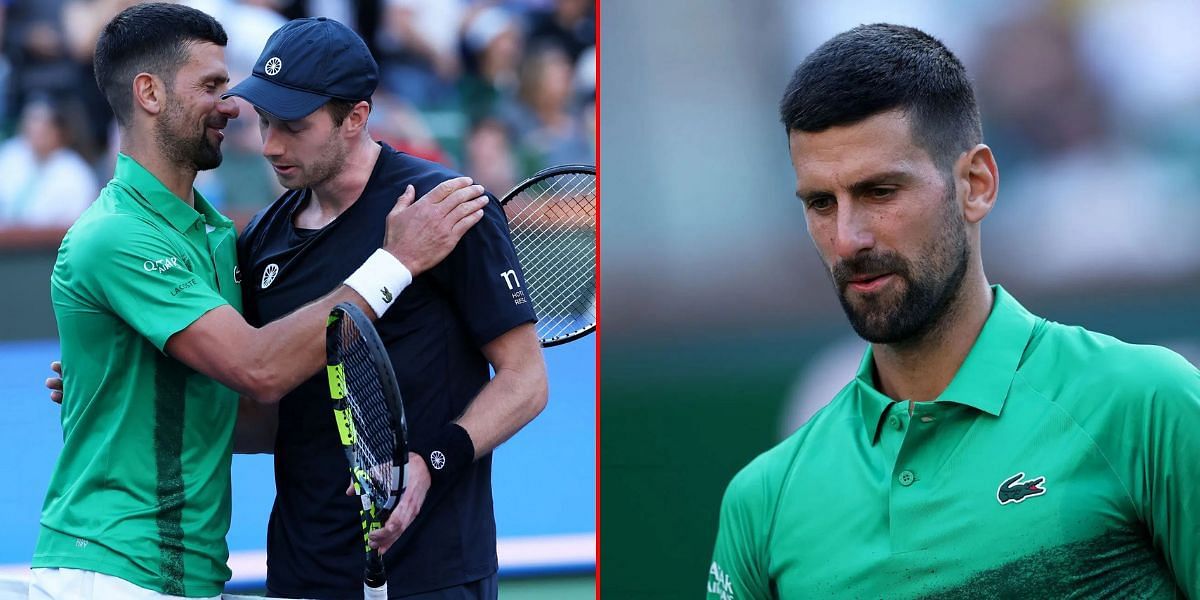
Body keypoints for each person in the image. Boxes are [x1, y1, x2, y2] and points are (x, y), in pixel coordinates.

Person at [706, 23, 1200, 599]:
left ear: (976, 184)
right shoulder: (763, 501)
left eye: (880, 192)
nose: (848, 239)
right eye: (821, 203)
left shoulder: (1147, 403)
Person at [33, 4, 486, 599]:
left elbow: (248, 416)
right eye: (213, 85)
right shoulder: (113, 235)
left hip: (186, 574)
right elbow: (259, 368)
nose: (232, 106)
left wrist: (130, 389)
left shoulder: (222, 238)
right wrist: (395, 263)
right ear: (148, 93)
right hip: (108, 570)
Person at [223, 17, 547, 599]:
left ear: (356, 118)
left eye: (294, 126)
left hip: (433, 572)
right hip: (303, 573)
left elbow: (526, 381)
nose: (271, 144)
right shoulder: (261, 241)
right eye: (266, 122)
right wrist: (135, 391)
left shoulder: (447, 209)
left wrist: (430, 463)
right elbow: (270, 419)